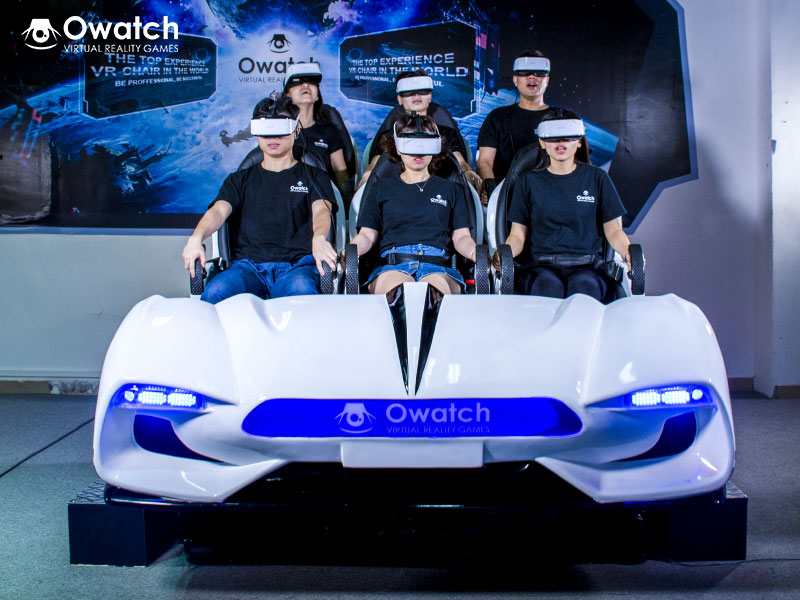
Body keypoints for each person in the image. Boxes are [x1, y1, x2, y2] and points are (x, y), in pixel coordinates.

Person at [182, 94, 338, 304]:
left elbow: (322, 211)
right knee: (217, 291)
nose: (273, 138)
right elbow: (218, 211)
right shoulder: (239, 180)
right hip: (247, 268)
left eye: (279, 130)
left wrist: (319, 238)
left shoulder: (315, 176)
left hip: (297, 267)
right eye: (266, 131)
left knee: (302, 292)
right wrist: (196, 237)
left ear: (296, 130)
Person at [497, 110, 637, 302]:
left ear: (579, 141)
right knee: (547, 289)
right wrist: (503, 256)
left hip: (589, 267)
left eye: (567, 137)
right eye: (553, 138)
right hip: (541, 267)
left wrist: (628, 253)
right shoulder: (527, 182)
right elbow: (517, 235)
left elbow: (613, 231)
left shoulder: (597, 178)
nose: (560, 142)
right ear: (542, 142)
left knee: (583, 290)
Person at [349, 114, 477, 295]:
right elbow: (367, 235)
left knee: (433, 292)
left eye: (424, 144)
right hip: (393, 266)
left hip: (438, 266)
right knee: (399, 291)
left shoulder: (452, 189)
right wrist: (350, 251)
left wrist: (475, 252)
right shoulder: (380, 188)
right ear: (398, 148)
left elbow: (461, 237)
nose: (418, 152)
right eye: (411, 143)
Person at [359, 69, 481, 195]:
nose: (416, 96)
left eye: (422, 91)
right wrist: (367, 175)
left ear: (430, 96)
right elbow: (375, 164)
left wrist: (469, 173)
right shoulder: (390, 135)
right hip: (396, 193)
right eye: (409, 92)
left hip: (440, 192)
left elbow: (460, 163)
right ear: (400, 99)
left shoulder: (446, 133)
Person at [477, 51, 560, 203]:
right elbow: (485, 161)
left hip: (553, 197)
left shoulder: (562, 118)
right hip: (507, 197)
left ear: (547, 80)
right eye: (525, 73)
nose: (532, 77)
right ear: (515, 80)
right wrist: (492, 189)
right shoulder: (497, 117)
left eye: (539, 73)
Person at [283, 62, 349, 192]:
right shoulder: (279, 131)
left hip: (322, 194)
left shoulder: (330, 131)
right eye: (298, 81)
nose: (305, 85)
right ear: (287, 95)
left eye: (311, 81)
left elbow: (341, 173)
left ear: (317, 95)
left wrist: (345, 198)